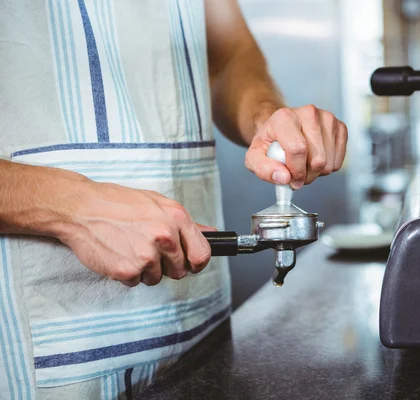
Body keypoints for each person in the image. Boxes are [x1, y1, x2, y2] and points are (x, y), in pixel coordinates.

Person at [0, 0, 347, 398]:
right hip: (42, 349)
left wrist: (265, 117)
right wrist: (72, 206)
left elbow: (228, 56)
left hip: (195, 328)